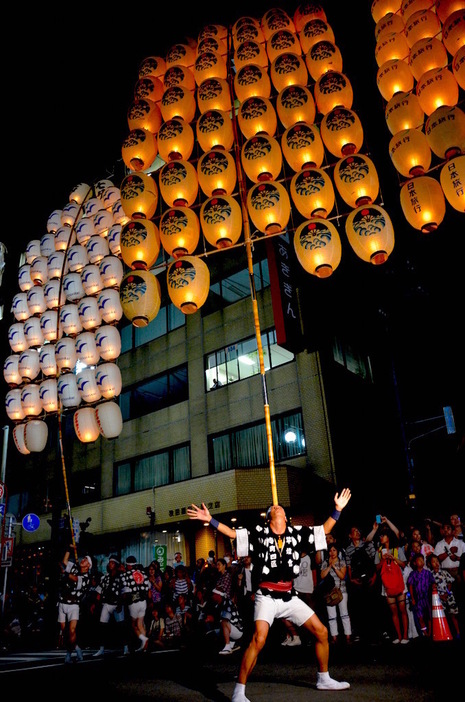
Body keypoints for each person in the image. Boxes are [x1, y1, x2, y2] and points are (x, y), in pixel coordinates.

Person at [188, 487, 352, 697]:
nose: (277, 507)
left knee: (321, 632)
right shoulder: (259, 534)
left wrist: (337, 510)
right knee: (259, 639)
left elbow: (323, 530)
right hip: (266, 596)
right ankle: (239, 691)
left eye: (280, 507)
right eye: (273, 508)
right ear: (269, 518)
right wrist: (210, 519)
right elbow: (231, 533)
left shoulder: (296, 533)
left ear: (285, 516)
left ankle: (324, 678)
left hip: (289, 596)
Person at [345, 524, 379, 644]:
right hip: (357, 582)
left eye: (358, 530)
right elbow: (349, 566)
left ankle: (373, 634)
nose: (357, 532)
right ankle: (359, 634)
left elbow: (375, 561)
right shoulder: (348, 549)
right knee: (358, 608)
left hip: (369, 579)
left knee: (371, 607)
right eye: (354, 531)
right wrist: (351, 579)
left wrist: (374, 576)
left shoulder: (368, 545)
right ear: (350, 535)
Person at [57, 547, 92, 663]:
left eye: (86, 560)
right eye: (83, 559)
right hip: (62, 602)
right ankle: (77, 648)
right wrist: (68, 549)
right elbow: (64, 562)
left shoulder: (87, 578)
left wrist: (65, 572)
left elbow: (75, 579)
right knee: (65, 631)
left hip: (74, 605)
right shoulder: (74, 567)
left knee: (72, 630)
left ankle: (68, 654)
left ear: (88, 566)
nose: (83, 560)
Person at [375, 526, 409, 644]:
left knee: (402, 609)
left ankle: (405, 636)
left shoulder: (397, 549)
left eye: (382, 535)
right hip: (387, 584)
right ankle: (398, 636)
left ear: (388, 537)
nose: (381, 538)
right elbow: (376, 568)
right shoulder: (379, 551)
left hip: (399, 581)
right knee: (393, 611)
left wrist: (393, 558)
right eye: (380, 536)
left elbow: (404, 565)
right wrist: (384, 560)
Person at [92, 555, 126, 657]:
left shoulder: (121, 577)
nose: (110, 564)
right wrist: (95, 604)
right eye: (109, 563)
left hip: (117, 604)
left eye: (112, 563)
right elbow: (99, 591)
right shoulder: (105, 577)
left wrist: (120, 603)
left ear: (116, 565)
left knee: (121, 626)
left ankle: (126, 647)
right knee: (102, 625)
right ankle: (101, 649)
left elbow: (124, 592)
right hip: (106, 604)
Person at [320, 542, 352, 646]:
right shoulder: (325, 562)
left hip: (341, 591)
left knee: (344, 614)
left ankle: (348, 636)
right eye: (330, 550)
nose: (332, 553)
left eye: (334, 550)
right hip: (329, 593)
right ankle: (334, 637)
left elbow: (342, 576)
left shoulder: (342, 562)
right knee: (332, 616)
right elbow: (322, 576)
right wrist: (329, 566)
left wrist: (335, 567)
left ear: (337, 551)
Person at [117, 555, 150, 652]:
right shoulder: (143, 573)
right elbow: (148, 587)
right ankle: (144, 647)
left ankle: (144, 639)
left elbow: (124, 591)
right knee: (140, 624)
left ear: (128, 565)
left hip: (133, 602)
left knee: (133, 625)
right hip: (143, 602)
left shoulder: (125, 575)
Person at [427, 553, 461, 639]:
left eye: (437, 561)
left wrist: (447, 593)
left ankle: (458, 632)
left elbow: (449, 583)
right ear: (430, 564)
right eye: (433, 562)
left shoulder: (444, 572)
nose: (436, 563)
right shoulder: (430, 575)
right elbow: (431, 588)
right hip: (438, 599)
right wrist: (440, 596)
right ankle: (445, 631)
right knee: (442, 616)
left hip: (448, 596)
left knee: (453, 614)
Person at [407, 553, 435, 637]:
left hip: (427, 597)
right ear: (415, 563)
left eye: (423, 560)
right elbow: (410, 586)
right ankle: (424, 632)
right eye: (419, 560)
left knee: (429, 615)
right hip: (418, 598)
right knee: (420, 617)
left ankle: (430, 631)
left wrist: (434, 586)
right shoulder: (413, 574)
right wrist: (412, 598)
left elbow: (433, 582)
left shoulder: (427, 573)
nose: (421, 562)